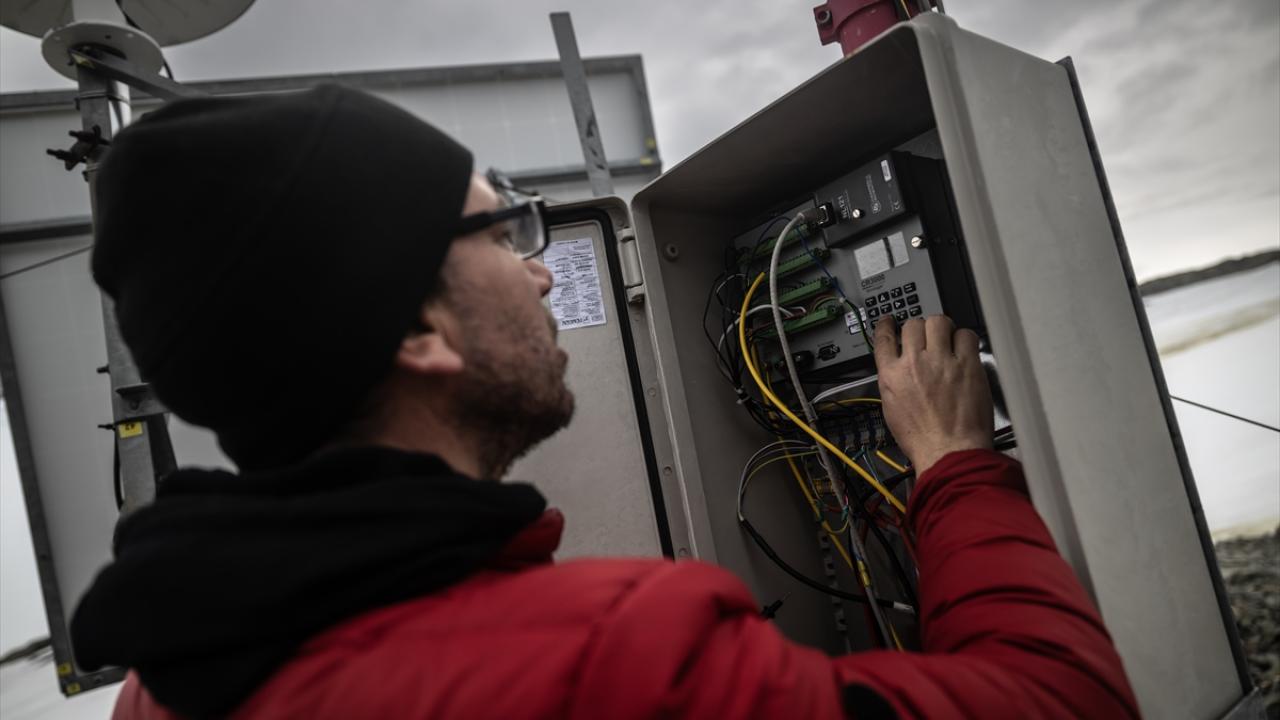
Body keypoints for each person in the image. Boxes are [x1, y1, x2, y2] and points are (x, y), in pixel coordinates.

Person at [70, 85, 1140, 719]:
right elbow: (1069, 703)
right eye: (499, 232)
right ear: (413, 331)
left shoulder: (165, 686)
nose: (539, 272)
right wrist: (954, 467)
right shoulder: (614, 662)